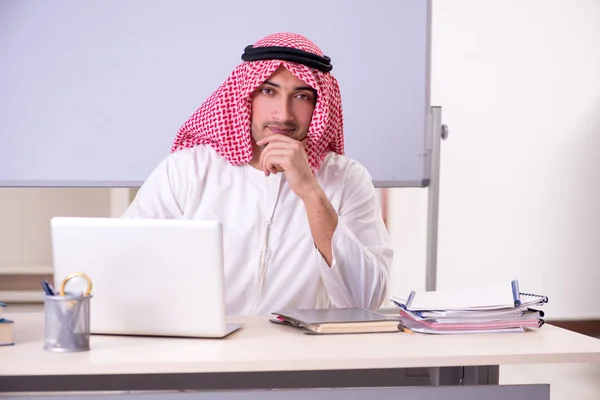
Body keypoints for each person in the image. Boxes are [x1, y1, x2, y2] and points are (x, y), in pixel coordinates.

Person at [122, 32, 393, 315]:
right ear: (246, 96)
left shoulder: (347, 179)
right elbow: (124, 265)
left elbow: (366, 301)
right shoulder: (187, 170)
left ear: (317, 106)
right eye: (268, 91)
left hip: (303, 355)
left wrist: (311, 192)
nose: (283, 114)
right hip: (201, 351)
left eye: (301, 96)